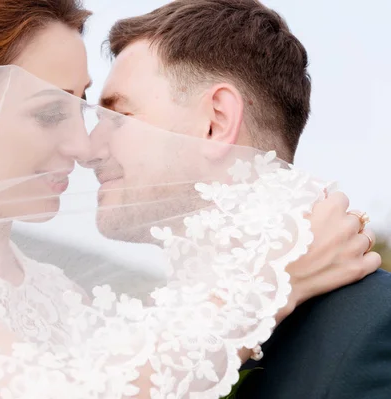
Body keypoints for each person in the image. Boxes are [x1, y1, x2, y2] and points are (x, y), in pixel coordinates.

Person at [0, 1, 380, 398]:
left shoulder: (60, 294)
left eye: (85, 106)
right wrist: (270, 281)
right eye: (50, 112)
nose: (81, 143)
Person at [89, 0, 391, 397]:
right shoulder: (145, 335)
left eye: (118, 117)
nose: (89, 148)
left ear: (217, 121)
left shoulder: (375, 322)